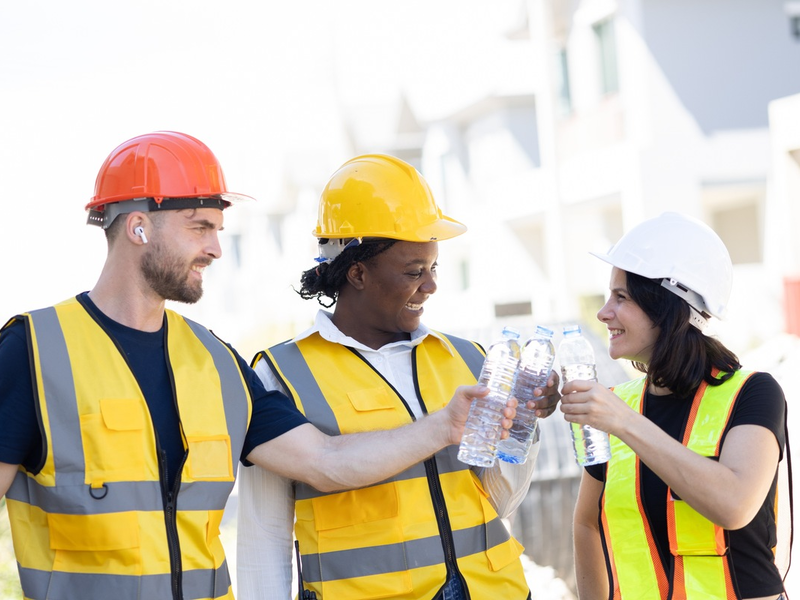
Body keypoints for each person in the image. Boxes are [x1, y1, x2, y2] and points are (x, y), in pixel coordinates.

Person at [0, 132, 514, 600]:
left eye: (218, 230)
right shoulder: (33, 351)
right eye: (200, 227)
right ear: (138, 227)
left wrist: (445, 426)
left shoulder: (217, 363)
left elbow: (325, 461)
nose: (215, 249)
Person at [236, 154, 562, 600]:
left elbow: (500, 500)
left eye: (433, 268)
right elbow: (264, 535)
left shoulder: (468, 358)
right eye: (414, 271)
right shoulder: (281, 374)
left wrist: (524, 423)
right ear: (358, 273)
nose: (431, 285)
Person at [563, 212, 789, 599]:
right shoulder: (618, 405)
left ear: (667, 308)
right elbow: (588, 523)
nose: (603, 313)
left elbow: (734, 504)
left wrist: (624, 423)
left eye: (621, 297)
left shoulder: (753, 392)